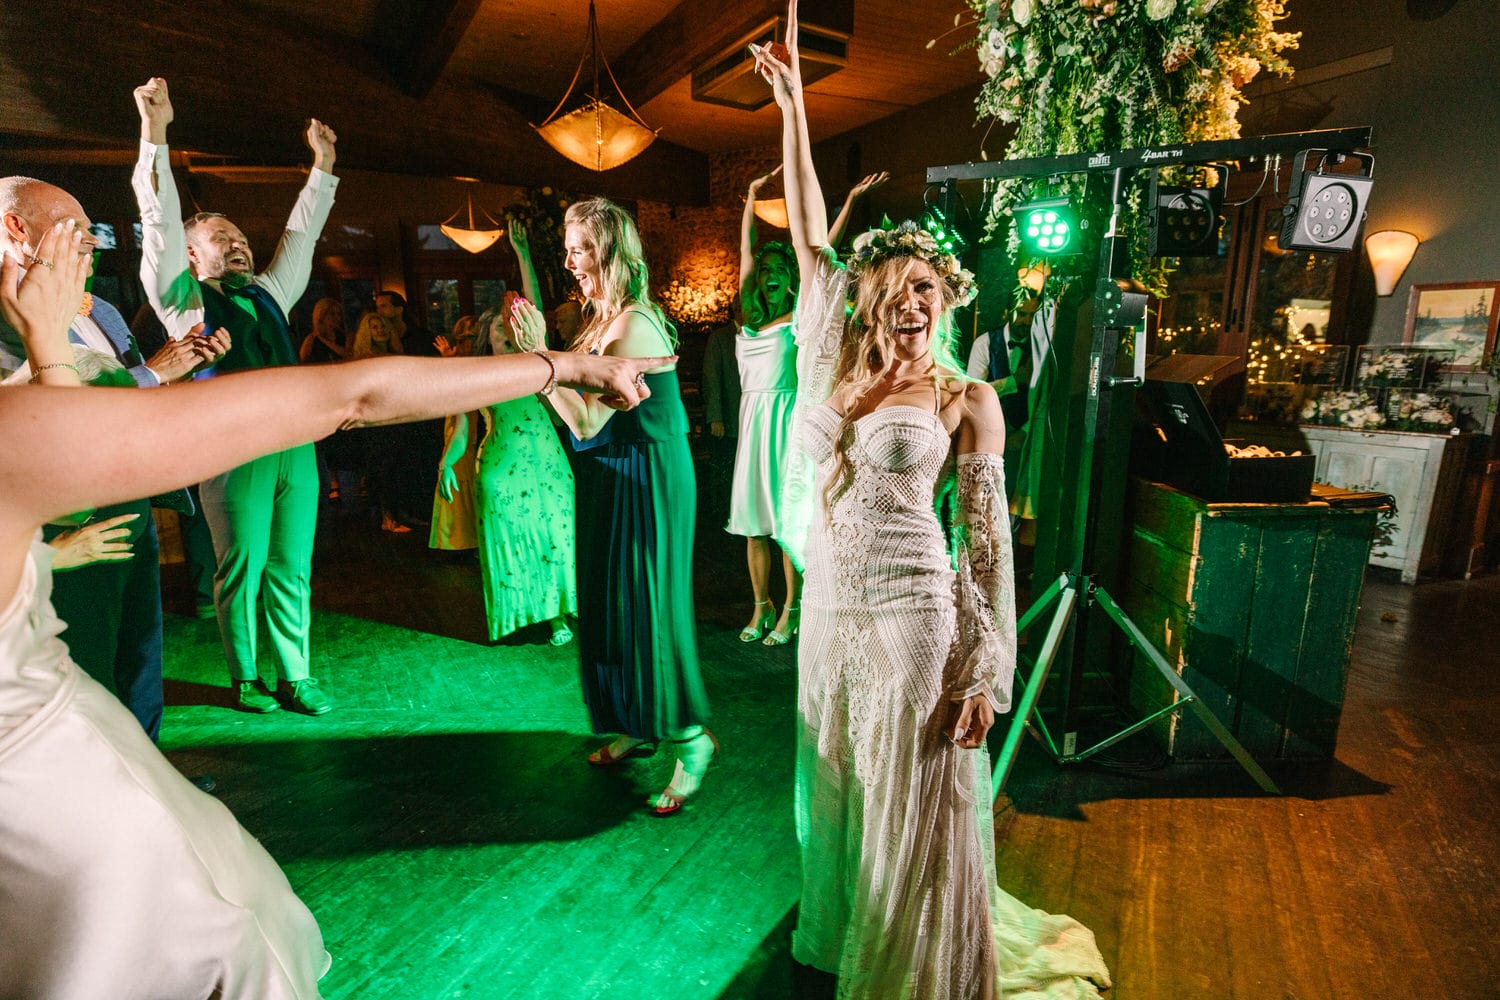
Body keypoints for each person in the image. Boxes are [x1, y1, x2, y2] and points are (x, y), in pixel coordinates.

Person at [0, 216, 663, 1000]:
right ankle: (250, 673)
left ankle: (285, 670)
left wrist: (43, 548)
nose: (87, 254)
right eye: (70, 239)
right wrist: (556, 366)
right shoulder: (20, 433)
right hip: (61, 811)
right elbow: (355, 393)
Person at [755, 8, 1112, 997]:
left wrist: (983, 673)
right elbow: (811, 242)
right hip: (829, 613)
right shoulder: (836, 363)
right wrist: (793, 106)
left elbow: (989, 548)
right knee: (834, 790)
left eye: (928, 288)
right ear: (870, 299)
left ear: (949, 300)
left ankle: (918, 959)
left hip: (915, 616)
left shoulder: (967, 398)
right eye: (897, 286)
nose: (912, 300)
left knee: (912, 794)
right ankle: (847, 929)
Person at [133, 76, 337, 715]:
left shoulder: (270, 295)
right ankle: (246, 675)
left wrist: (323, 168)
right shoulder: (183, 299)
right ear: (192, 257)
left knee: (291, 567)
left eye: (241, 235)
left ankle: (296, 674)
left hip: (295, 447)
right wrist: (155, 134)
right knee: (241, 567)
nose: (240, 242)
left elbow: (300, 239)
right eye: (223, 238)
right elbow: (160, 220)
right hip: (232, 446)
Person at [1, 174, 229, 739]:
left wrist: (184, 370)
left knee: (141, 652)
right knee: (88, 661)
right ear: (15, 228)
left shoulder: (102, 309)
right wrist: (154, 371)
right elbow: (30, 416)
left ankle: (149, 769)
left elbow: (129, 399)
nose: (90, 241)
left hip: (130, 499)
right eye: (73, 228)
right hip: (61, 523)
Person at [512, 196, 713, 816]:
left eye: (579, 249)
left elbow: (586, 424)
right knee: (610, 602)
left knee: (647, 604)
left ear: (610, 251)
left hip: (645, 475)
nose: (570, 261)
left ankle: (691, 737)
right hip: (610, 473)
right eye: (567, 249)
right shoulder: (600, 322)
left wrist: (540, 361)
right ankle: (637, 719)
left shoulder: (631, 326)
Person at [440, 223, 575, 644]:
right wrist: (446, 459)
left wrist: (523, 253)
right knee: (513, 541)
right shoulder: (475, 374)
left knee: (556, 535)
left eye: (510, 327)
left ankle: (558, 616)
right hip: (501, 465)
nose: (507, 332)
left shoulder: (536, 359)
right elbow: (461, 425)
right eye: (499, 330)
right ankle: (518, 614)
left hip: (549, 463)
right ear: (486, 338)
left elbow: (530, 302)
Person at [729, 166, 802, 645]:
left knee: (785, 529)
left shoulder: (800, 318)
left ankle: (791, 611)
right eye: (766, 272)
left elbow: (810, 255)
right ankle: (761, 605)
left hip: (787, 423)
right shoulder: (749, 316)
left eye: (780, 271)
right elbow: (745, 257)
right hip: (753, 425)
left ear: (791, 281)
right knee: (754, 526)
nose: (771, 276)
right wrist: (749, 201)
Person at [429, 314, 481, 553]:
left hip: (472, 419)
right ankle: (456, 536)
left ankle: (467, 535)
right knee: (458, 461)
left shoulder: (483, 361)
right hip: (457, 417)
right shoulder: (456, 360)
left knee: (466, 463)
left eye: (472, 337)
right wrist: (447, 361)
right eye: (464, 338)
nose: (467, 343)